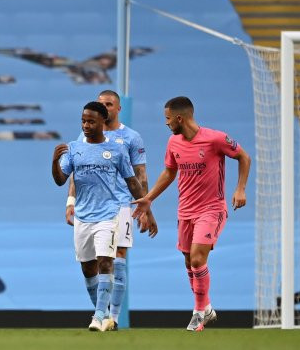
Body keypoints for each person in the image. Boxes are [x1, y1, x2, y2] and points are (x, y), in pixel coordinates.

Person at [132, 96, 251, 332]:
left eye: (167, 119)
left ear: (179, 118)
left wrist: (240, 189)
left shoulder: (215, 139)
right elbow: (169, 173)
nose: (165, 124)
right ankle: (206, 306)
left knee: (197, 258)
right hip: (185, 211)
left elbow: (243, 157)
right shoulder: (173, 142)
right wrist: (148, 199)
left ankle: (198, 313)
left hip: (212, 209)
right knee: (189, 261)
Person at [52, 101, 155, 332]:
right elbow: (61, 180)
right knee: (88, 269)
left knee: (107, 261)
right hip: (83, 217)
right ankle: (105, 313)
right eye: (83, 121)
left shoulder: (117, 150)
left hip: (110, 214)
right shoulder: (75, 148)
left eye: (90, 121)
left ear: (102, 121)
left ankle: (100, 316)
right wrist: (54, 161)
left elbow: (133, 182)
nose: (86, 125)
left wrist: (147, 209)